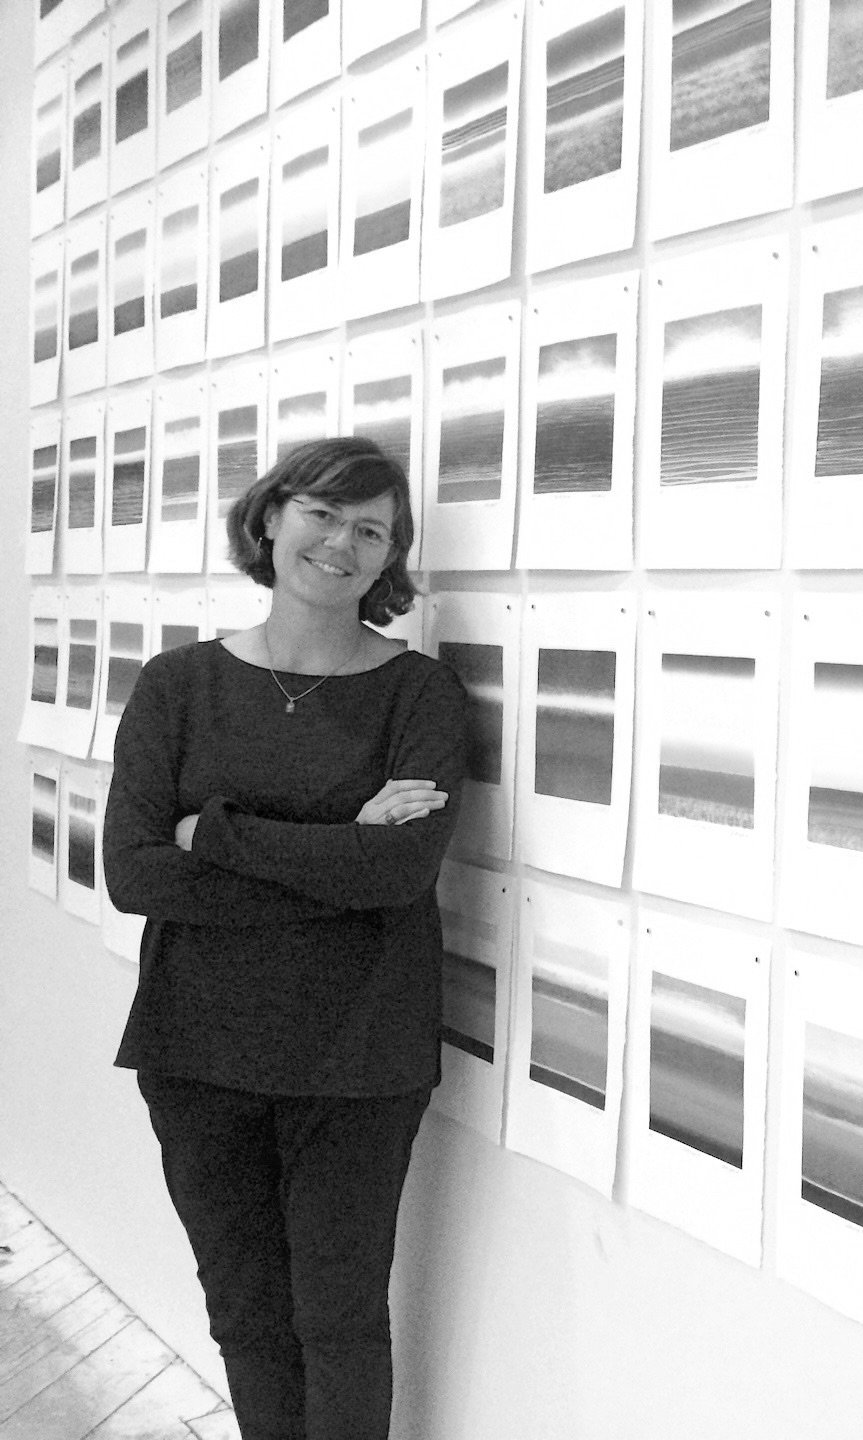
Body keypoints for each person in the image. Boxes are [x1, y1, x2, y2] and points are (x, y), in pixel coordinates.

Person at [103, 436, 468, 1440]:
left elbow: (401, 872)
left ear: (389, 560)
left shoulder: (419, 696)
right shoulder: (177, 686)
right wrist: (341, 850)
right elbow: (134, 873)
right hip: (196, 1049)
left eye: (372, 530)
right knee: (246, 1314)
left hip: (360, 1057)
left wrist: (215, 835)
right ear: (270, 518)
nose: (340, 542)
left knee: (340, 1322)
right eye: (321, 512)